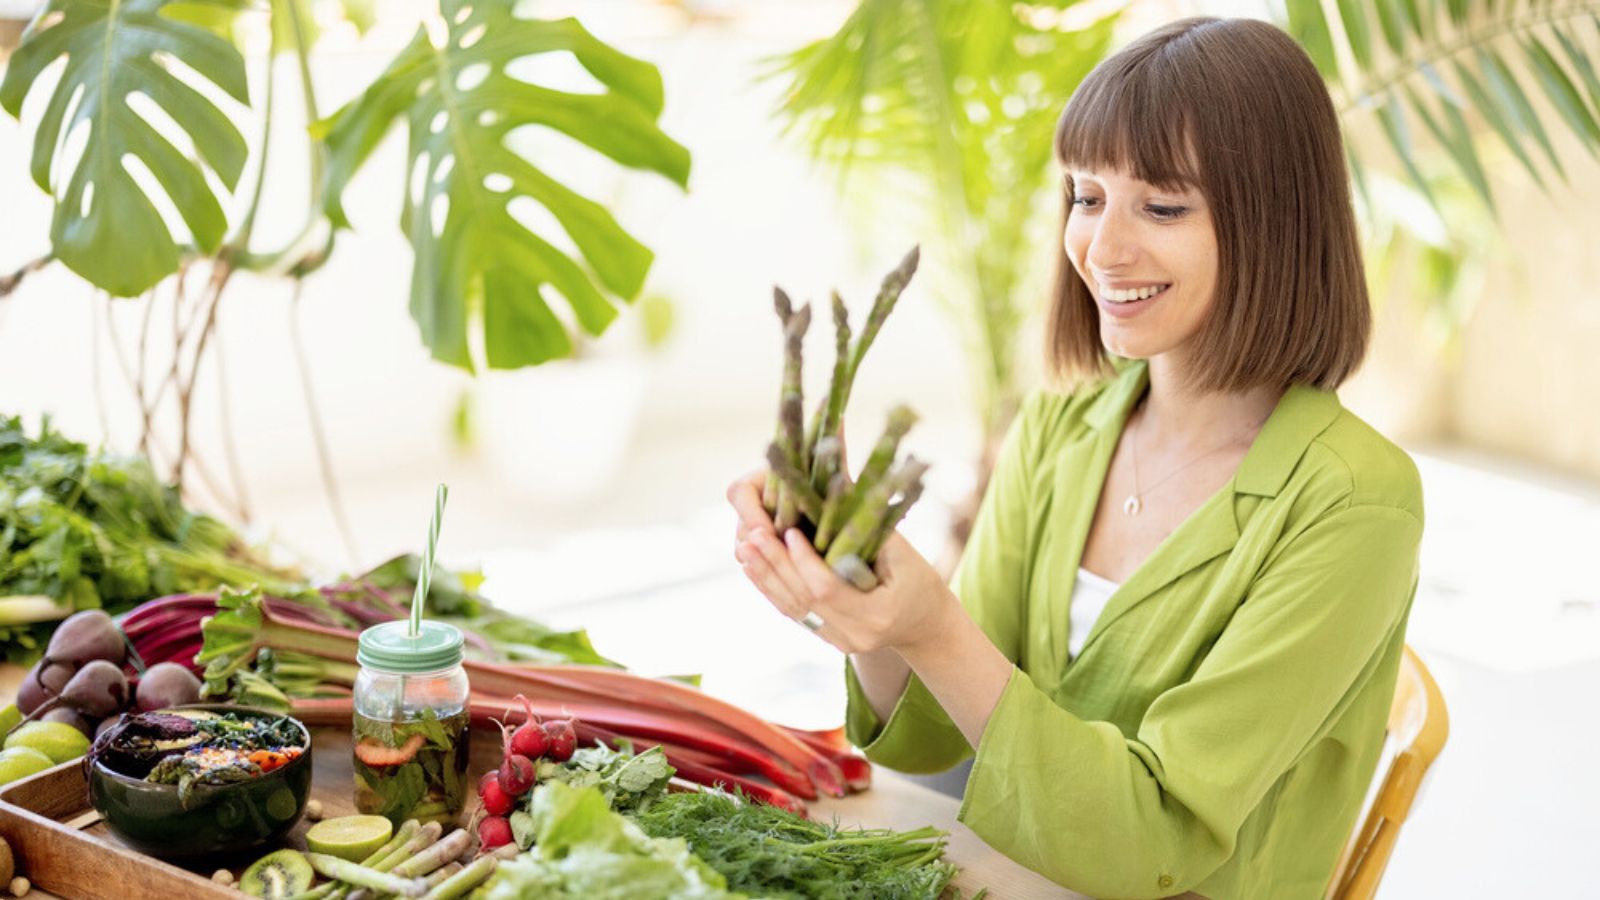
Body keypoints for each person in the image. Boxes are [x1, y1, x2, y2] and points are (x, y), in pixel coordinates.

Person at [728, 16, 1423, 900]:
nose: (1103, 247)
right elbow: (934, 737)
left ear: (1275, 222)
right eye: (1088, 196)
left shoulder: (1356, 501)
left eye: (1163, 205)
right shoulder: (1060, 427)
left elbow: (1155, 842)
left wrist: (934, 625)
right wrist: (868, 605)